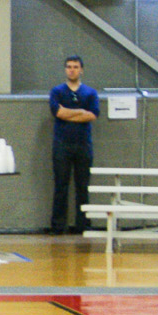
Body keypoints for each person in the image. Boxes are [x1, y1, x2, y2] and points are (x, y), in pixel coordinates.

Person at [49, 54, 99, 235]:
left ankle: (83, 225)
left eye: (75, 67)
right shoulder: (57, 91)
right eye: (69, 67)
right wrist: (80, 112)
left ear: (81, 70)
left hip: (83, 145)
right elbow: (58, 113)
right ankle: (58, 226)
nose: (72, 70)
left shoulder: (90, 93)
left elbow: (92, 115)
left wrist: (69, 113)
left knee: (82, 187)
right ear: (65, 70)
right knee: (61, 186)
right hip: (62, 145)